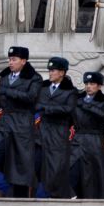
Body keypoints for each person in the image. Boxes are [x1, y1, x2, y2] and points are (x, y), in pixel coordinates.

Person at [0, 46, 42, 197]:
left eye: (14, 59)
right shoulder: (4, 78)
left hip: (23, 124)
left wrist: (9, 91)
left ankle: (20, 200)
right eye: (9, 59)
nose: (10, 62)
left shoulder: (34, 78)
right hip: (5, 121)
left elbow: (31, 98)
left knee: (20, 166)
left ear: (23, 61)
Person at [36, 57, 77, 198]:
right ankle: (46, 194)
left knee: (56, 166)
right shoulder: (43, 87)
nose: (50, 73)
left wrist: (47, 108)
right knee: (40, 164)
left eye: (53, 70)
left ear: (62, 73)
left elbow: (69, 109)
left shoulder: (70, 91)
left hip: (59, 131)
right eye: (50, 70)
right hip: (42, 130)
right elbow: (36, 104)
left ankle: (59, 194)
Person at [71, 71, 104, 198]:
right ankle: (73, 194)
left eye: (92, 83)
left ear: (99, 86)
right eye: (86, 83)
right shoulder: (77, 99)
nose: (88, 86)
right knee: (71, 168)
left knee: (92, 175)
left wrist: (86, 105)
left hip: (94, 140)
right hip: (78, 139)